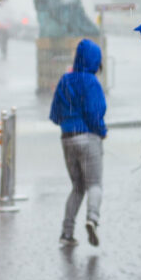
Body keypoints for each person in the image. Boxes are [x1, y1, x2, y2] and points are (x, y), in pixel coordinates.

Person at [49, 39, 107, 247]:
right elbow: (94, 113)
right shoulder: (91, 82)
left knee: (77, 187)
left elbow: (54, 114)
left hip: (67, 139)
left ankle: (66, 232)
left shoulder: (65, 80)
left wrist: (67, 122)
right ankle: (92, 219)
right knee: (94, 185)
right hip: (88, 137)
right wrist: (102, 131)